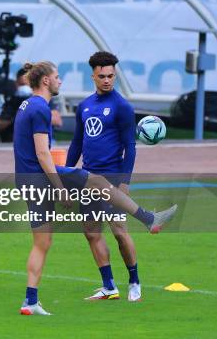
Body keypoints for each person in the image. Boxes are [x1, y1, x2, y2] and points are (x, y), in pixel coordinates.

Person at [13, 61, 177, 316]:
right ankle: (149, 219)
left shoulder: (25, 105)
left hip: (25, 180)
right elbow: (44, 154)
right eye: (57, 77)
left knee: (42, 243)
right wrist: (60, 187)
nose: (60, 81)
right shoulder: (41, 108)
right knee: (97, 184)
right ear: (45, 80)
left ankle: (30, 301)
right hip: (43, 176)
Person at [66, 51, 141, 301]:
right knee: (91, 233)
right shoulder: (84, 106)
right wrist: (67, 174)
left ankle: (134, 282)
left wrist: (125, 182)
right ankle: (109, 286)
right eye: (102, 76)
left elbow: (130, 147)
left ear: (115, 74)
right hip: (88, 178)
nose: (107, 80)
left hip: (111, 179)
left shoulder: (122, 107)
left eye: (111, 75)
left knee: (120, 232)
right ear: (93, 76)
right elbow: (77, 143)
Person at [0, 68, 62, 142]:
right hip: (16, 142)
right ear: (16, 83)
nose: (24, 88)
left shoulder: (44, 99)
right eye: (21, 85)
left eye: (26, 85)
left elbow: (57, 121)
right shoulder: (12, 101)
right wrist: (16, 115)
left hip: (42, 140)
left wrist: (29, 112)